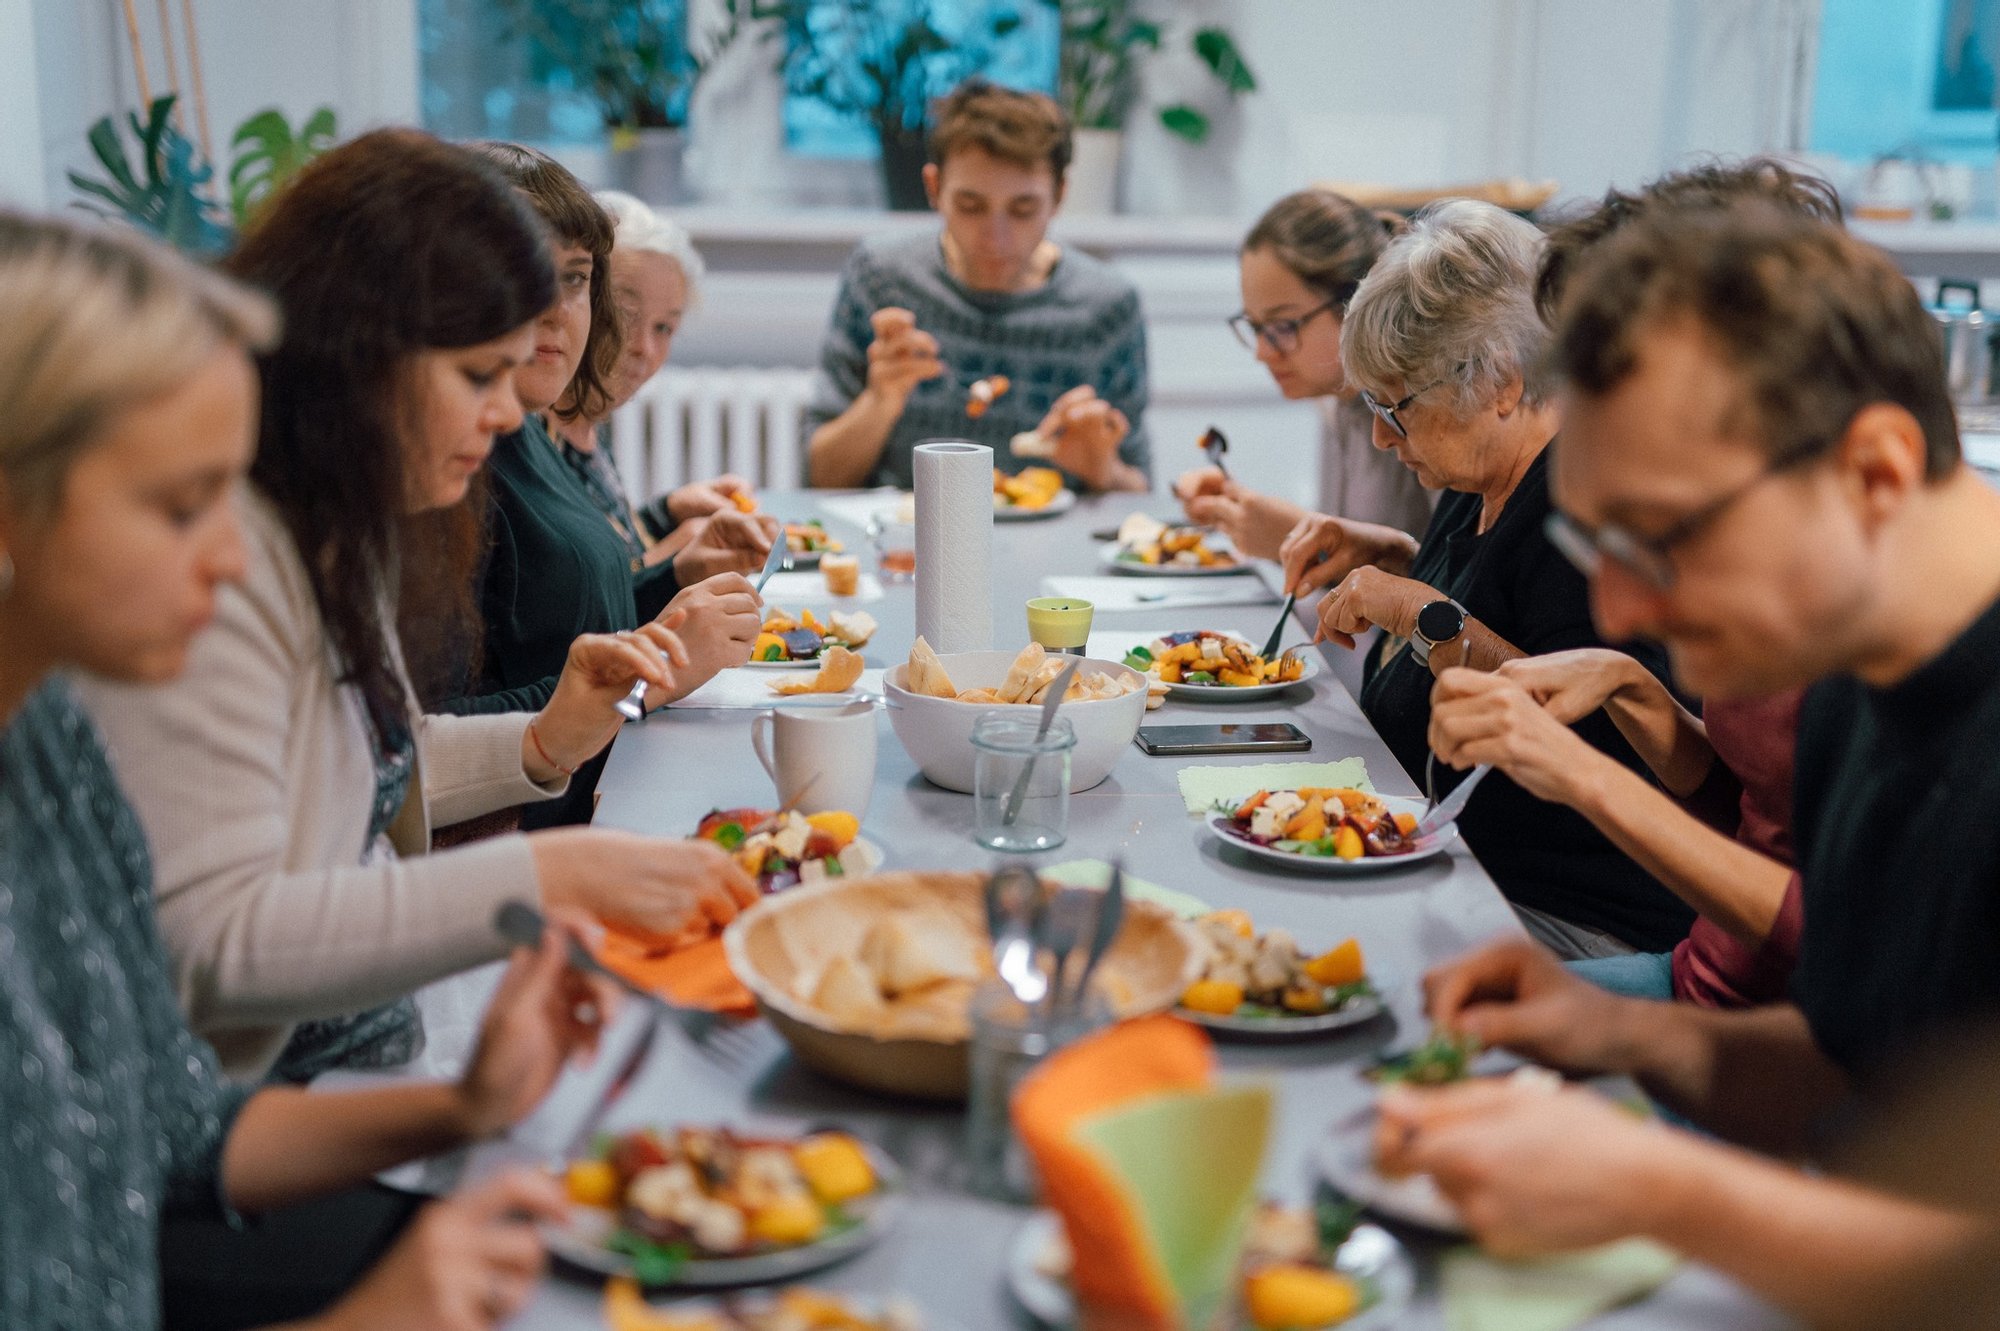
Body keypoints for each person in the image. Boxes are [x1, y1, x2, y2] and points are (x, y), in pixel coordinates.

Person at [1376, 201, 2000, 1321]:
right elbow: (1856, 1067)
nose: (1617, 605)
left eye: (1658, 537)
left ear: (1872, 469)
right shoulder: (1858, 680)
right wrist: (1612, 1029)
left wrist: (1659, 1187)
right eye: (1591, 542)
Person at [0, 207, 617, 1331]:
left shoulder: (45, 741)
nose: (230, 553)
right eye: (182, 506)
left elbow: (177, 1129)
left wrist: (461, 1104)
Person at [78, 130, 756, 1087]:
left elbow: (369, 763)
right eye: (479, 375)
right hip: (266, 1088)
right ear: (361, 352)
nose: (512, 414)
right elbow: (215, 940)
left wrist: (546, 738)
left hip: (360, 1029)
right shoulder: (228, 560)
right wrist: (550, 875)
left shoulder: (343, 522)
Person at [1423, 159, 1846, 1006]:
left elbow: (1852, 961)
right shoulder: (1769, 551)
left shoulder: (1871, 623)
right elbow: (1763, 823)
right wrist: (1635, 685)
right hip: (1697, 982)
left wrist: (1585, 775)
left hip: (1745, 1027)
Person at [1276, 199, 1688, 958]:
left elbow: (1603, 749)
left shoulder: (1582, 508)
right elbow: (1494, 599)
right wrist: (1397, 555)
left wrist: (1424, 611)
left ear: (1500, 381)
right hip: (1464, 868)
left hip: (1566, 918)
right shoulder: (1476, 474)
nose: (1378, 434)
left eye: (1395, 406)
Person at [429, 143, 771, 828]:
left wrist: (675, 577)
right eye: (529, 278)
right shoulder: (453, 464)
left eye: (578, 279)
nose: (559, 311)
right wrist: (650, 677)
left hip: (608, 788)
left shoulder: (522, 425)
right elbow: (423, 743)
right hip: (543, 838)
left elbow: (568, 618)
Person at [804, 79, 1150, 492]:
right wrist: (879, 402)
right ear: (934, 189)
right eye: (971, 206)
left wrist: (1104, 470)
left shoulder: (1106, 306)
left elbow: (1140, 495)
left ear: (1059, 196)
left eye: (1023, 210)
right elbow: (819, 477)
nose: (995, 239)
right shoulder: (881, 279)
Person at [1173, 189, 1436, 557]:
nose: (1263, 352)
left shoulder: (1426, 415)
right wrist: (1246, 512)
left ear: (1356, 303)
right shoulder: (1338, 402)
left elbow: (1450, 587)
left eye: (1282, 326)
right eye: (1255, 327)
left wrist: (1299, 538)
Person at [546, 190, 758, 568]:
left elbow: (613, 546)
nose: (644, 348)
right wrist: (673, 559)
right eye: (625, 314)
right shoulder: (539, 441)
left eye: (664, 327)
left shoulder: (589, 422)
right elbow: (587, 599)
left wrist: (666, 514)